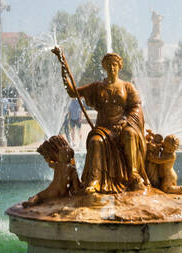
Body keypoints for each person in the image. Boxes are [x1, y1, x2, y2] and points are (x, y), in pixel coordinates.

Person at [62, 53, 149, 194]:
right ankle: (95, 180)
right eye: (108, 65)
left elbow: (136, 107)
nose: (111, 67)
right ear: (104, 67)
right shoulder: (97, 87)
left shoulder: (127, 87)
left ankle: (133, 174)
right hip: (103, 128)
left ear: (119, 66)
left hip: (122, 127)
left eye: (114, 64)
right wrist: (63, 66)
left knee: (130, 134)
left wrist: (127, 122)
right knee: (95, 142)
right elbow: (73, 92)